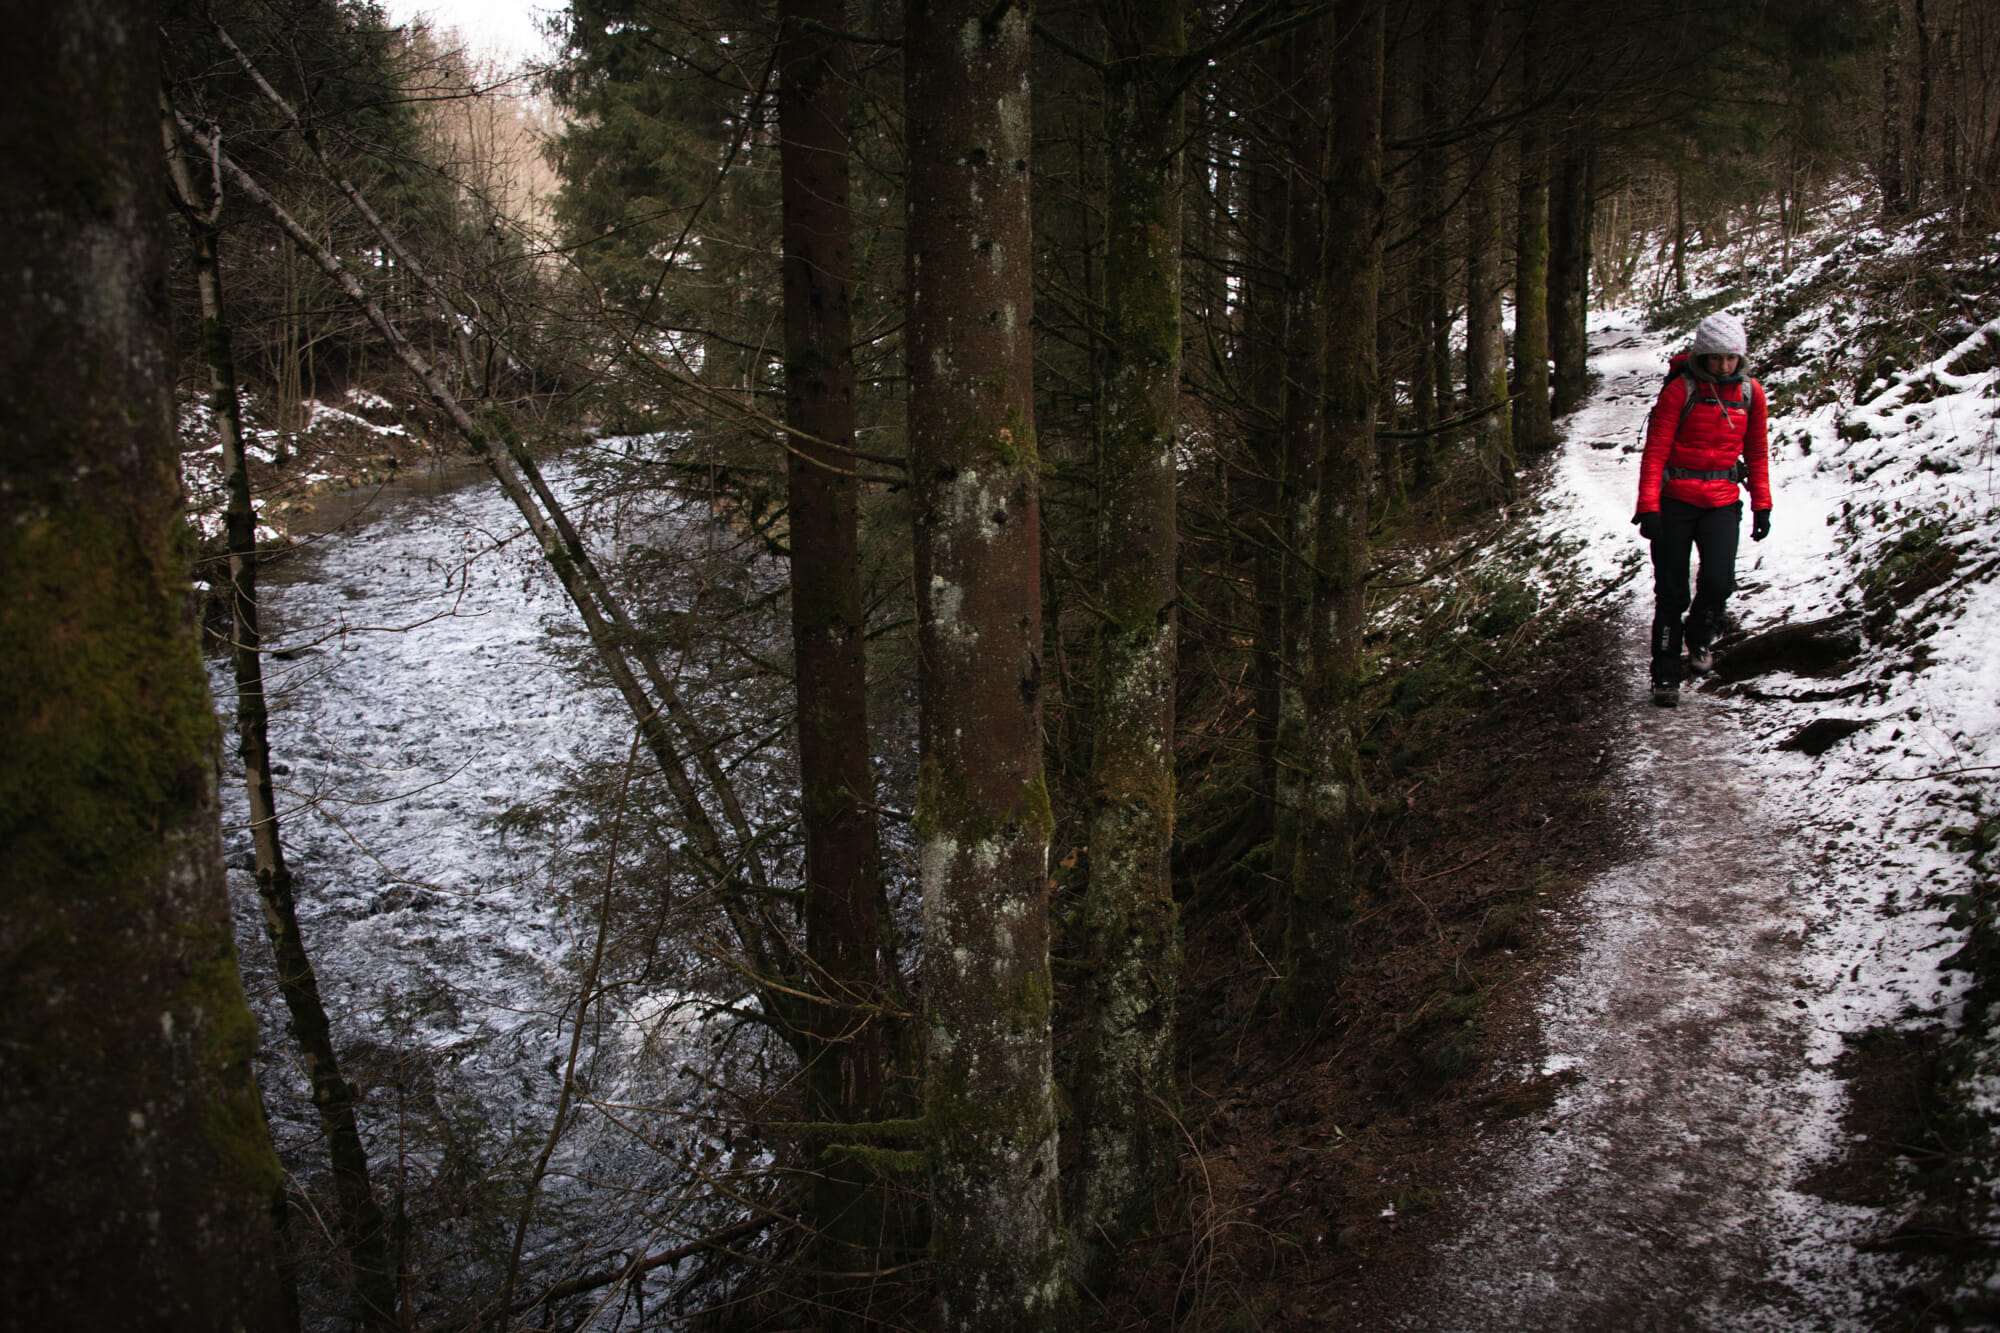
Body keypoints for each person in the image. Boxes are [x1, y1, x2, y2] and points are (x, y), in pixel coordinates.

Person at [1632, 311, 1772, 707]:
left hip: (1722, 500)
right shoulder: (1681, 390)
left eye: (1730, 358)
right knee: (1672, 592)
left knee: (1719, 583)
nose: (1723, 365)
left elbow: (1758, 453)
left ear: (1740, 358)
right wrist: (1649, 507)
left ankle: (1699, 638)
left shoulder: (1751, 394)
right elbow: (1656, 449)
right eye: (1715, 358)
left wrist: (1762, 505)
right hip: (1675, 501)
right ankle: (1665, 674)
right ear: (1702, 357)